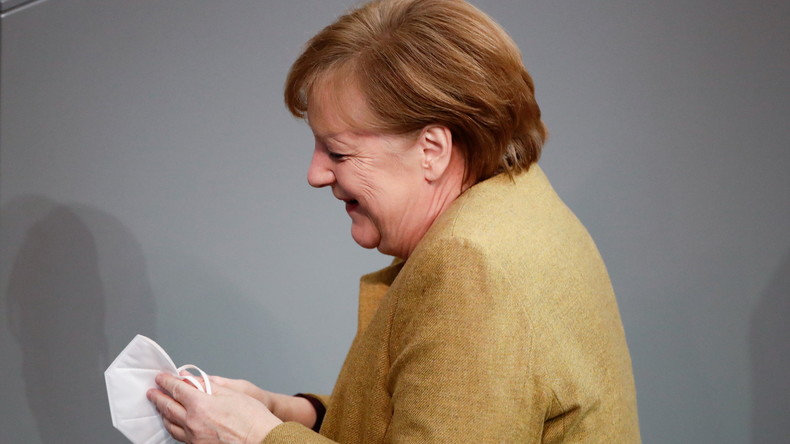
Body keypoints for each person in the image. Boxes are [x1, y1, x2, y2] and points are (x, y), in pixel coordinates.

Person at [147, 0, 642, 442]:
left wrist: (256, 437)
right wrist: (296, 415)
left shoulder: (473, 267)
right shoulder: (522, 208)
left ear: (432, 150)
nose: (315, 173)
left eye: (338, 151)